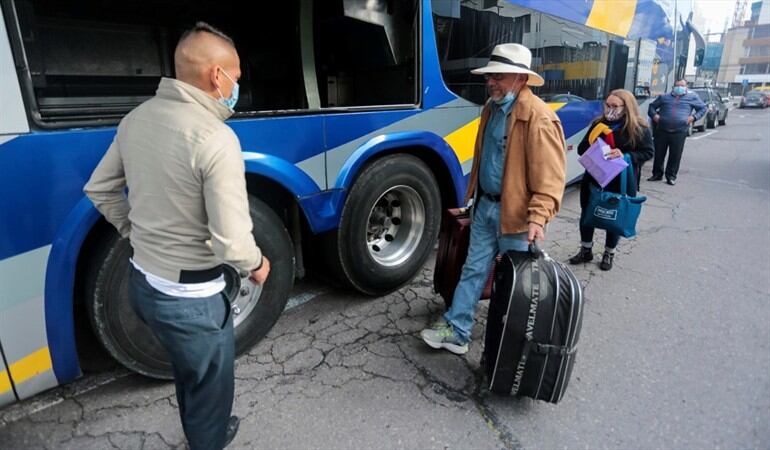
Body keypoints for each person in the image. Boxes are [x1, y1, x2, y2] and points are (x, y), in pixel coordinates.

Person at [84, 22, 270, 450]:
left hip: (143, 284)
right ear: (216, 76)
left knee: (191, 369)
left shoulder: (135, 120)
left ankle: (200, 425)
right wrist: (258, 265)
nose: (237, 87)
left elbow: (99, 188)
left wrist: (134, 230)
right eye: (236, 78)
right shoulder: (215, 138)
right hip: (191, 301)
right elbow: (232, 244)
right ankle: (207, 436)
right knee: (210, 381)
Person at [421, 43, 566, 355]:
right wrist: (472, 197)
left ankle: (507, 346)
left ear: (519, 79)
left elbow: (551, 179)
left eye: (497, 76)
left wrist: (538, 218)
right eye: (490, 76)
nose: (490, 82)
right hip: (485, 208)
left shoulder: (539, 118)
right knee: (473, 270)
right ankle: (457, 330)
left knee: (512, 285)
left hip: (516, 218)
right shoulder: (491, 108)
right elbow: (484, 159)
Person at [569, 89, 654, 271]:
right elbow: (582, 147)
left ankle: (609, 253)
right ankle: (586, 250)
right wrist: (595, 150)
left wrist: (625, 155)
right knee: (587, 215)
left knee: (614, 217)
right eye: (607, 105)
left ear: (627, 107)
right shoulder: (598, 124)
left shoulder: (638, 127)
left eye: (615, 106)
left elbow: (647, 152)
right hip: (594, 177)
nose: (609, 109)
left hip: (622, 180)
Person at [646, 79, 706, 185]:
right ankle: (657, 174)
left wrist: (693, 117)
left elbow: (703, 108)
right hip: (662, 130)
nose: (679, 87)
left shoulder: (692, 97)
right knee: (659, 153)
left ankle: (671, 176)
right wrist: (655, 116)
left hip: (679, 131)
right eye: (677, 85)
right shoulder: (664, 97)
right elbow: (652, 107)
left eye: (682, 85)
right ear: (674, 86)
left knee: (675, 155)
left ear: (686, 87)